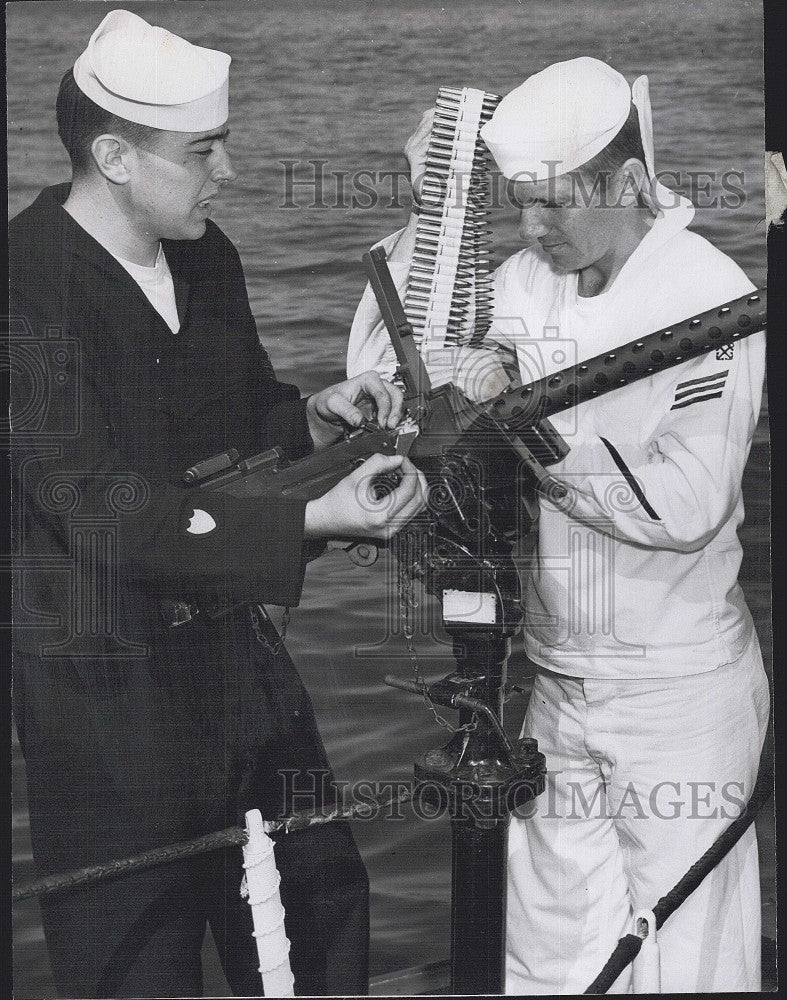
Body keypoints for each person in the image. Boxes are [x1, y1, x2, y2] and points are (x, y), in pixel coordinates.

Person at [10, 9, 428, 998]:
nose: (227, 173)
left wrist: (316, 421)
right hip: (109, 716)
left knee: (325, 920)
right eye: (203, 151)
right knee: (136, 968)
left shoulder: (207, 254)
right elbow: (107, 510)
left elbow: (245, 418)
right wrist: (312, 522)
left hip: (241, 673)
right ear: (113, 155)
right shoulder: (24, 287)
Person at [347, 57, 768, 993]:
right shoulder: (532, 279)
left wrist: (533, 420)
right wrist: (430, 219)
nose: (531, 229)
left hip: (678, 694)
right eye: (515, 205)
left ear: (624, 182)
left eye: (551, 205)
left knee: (690, 965)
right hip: (555, 685)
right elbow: (396, 369)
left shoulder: (712, 297)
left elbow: (687, 502)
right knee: (547, 963)